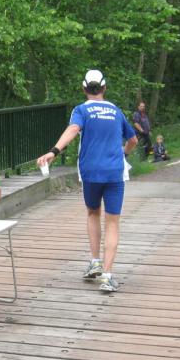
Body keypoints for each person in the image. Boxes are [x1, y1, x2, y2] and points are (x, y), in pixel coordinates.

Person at [37, 69, 137, 293]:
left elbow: (74, 129)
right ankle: (108, 276)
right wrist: (123, 154)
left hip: (91, 171)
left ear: (84, 89)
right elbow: (133, 140)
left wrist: (54, 151)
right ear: (104, 88)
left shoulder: (81, 110)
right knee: (112, 221)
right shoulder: (116, 111)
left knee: (93, 213)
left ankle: (95, 262)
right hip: (114, 172)